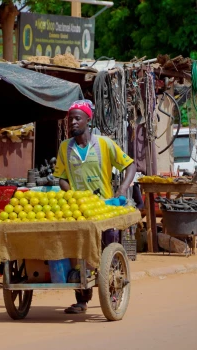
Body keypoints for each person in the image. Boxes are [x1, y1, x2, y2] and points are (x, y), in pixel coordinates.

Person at [53, 100, 136, 314]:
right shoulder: (65, 147)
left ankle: (112, 293)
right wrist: (69, 191)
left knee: (107, 249)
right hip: (79, 209)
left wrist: (122, 190)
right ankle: (81, 300)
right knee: (80, 253)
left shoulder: (104, 144)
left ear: (88, 120)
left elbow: (130, 165)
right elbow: (61, 177)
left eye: (77, 118)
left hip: (105, 207)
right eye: (70, 118)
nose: (72, 122)